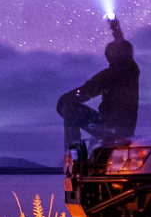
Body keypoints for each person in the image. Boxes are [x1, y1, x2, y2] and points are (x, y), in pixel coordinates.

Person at [58, 18, 139, 149]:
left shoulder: (112, 74)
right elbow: (124, 49)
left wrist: (65, 100)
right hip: (118, 128)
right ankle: (81, 150)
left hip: (110, 128)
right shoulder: (131, 71)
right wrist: (116, 30)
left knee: (69, 107)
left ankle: (73, 152)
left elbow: (86, 91)